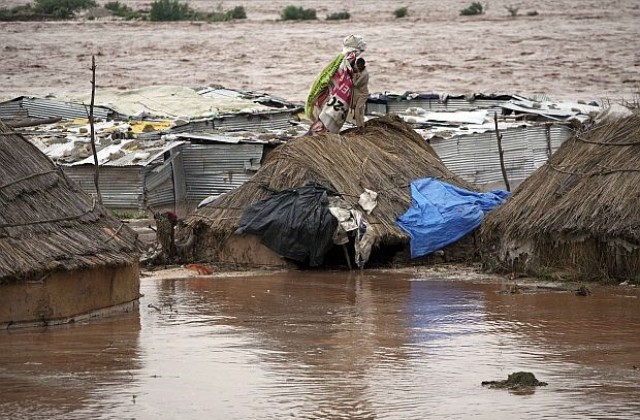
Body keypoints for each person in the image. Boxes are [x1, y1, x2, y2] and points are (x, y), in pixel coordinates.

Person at [305, 35, 366, 135]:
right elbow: (342, 90)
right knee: (323, 131)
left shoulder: (340, 58)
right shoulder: (347, 61)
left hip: (321, 101)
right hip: (327, 105)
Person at [351, 57, 369, 127]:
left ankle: (359, 126)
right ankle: (362, 125)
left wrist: (354, 75)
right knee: (361, 111)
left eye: (359, 66)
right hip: (358, 93)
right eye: (357, 65)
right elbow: (353, 65)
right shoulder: (359, 68)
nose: (358, 67)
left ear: (363, 65)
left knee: (357, 110)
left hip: (363, 94)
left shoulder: (364, 74)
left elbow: (355, 84)